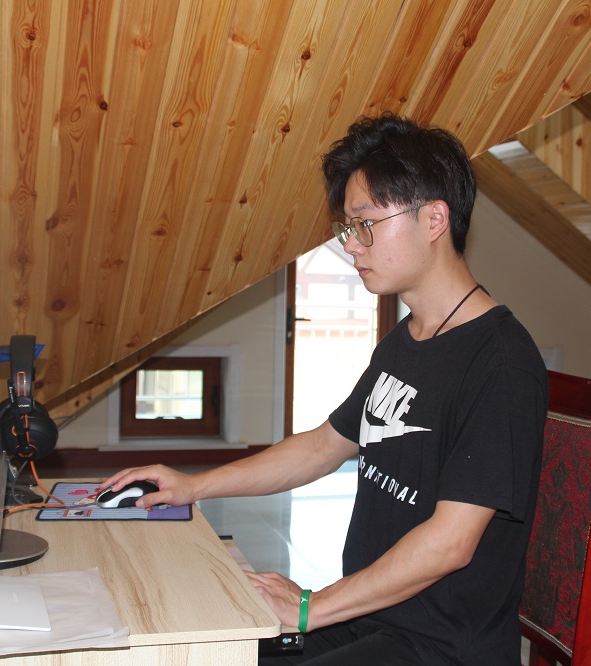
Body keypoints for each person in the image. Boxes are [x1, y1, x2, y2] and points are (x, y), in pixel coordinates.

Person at [99, 113, 548, 665]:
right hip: (371, 615)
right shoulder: (406, 340)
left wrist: (312, 607)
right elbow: (323, 446)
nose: (352, 245)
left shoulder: (501, 363)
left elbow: (451, 542)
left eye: (366, 224)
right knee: (209, 644)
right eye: (347, 228)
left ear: (434, 219)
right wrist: (195, 486)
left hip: (439, 646)